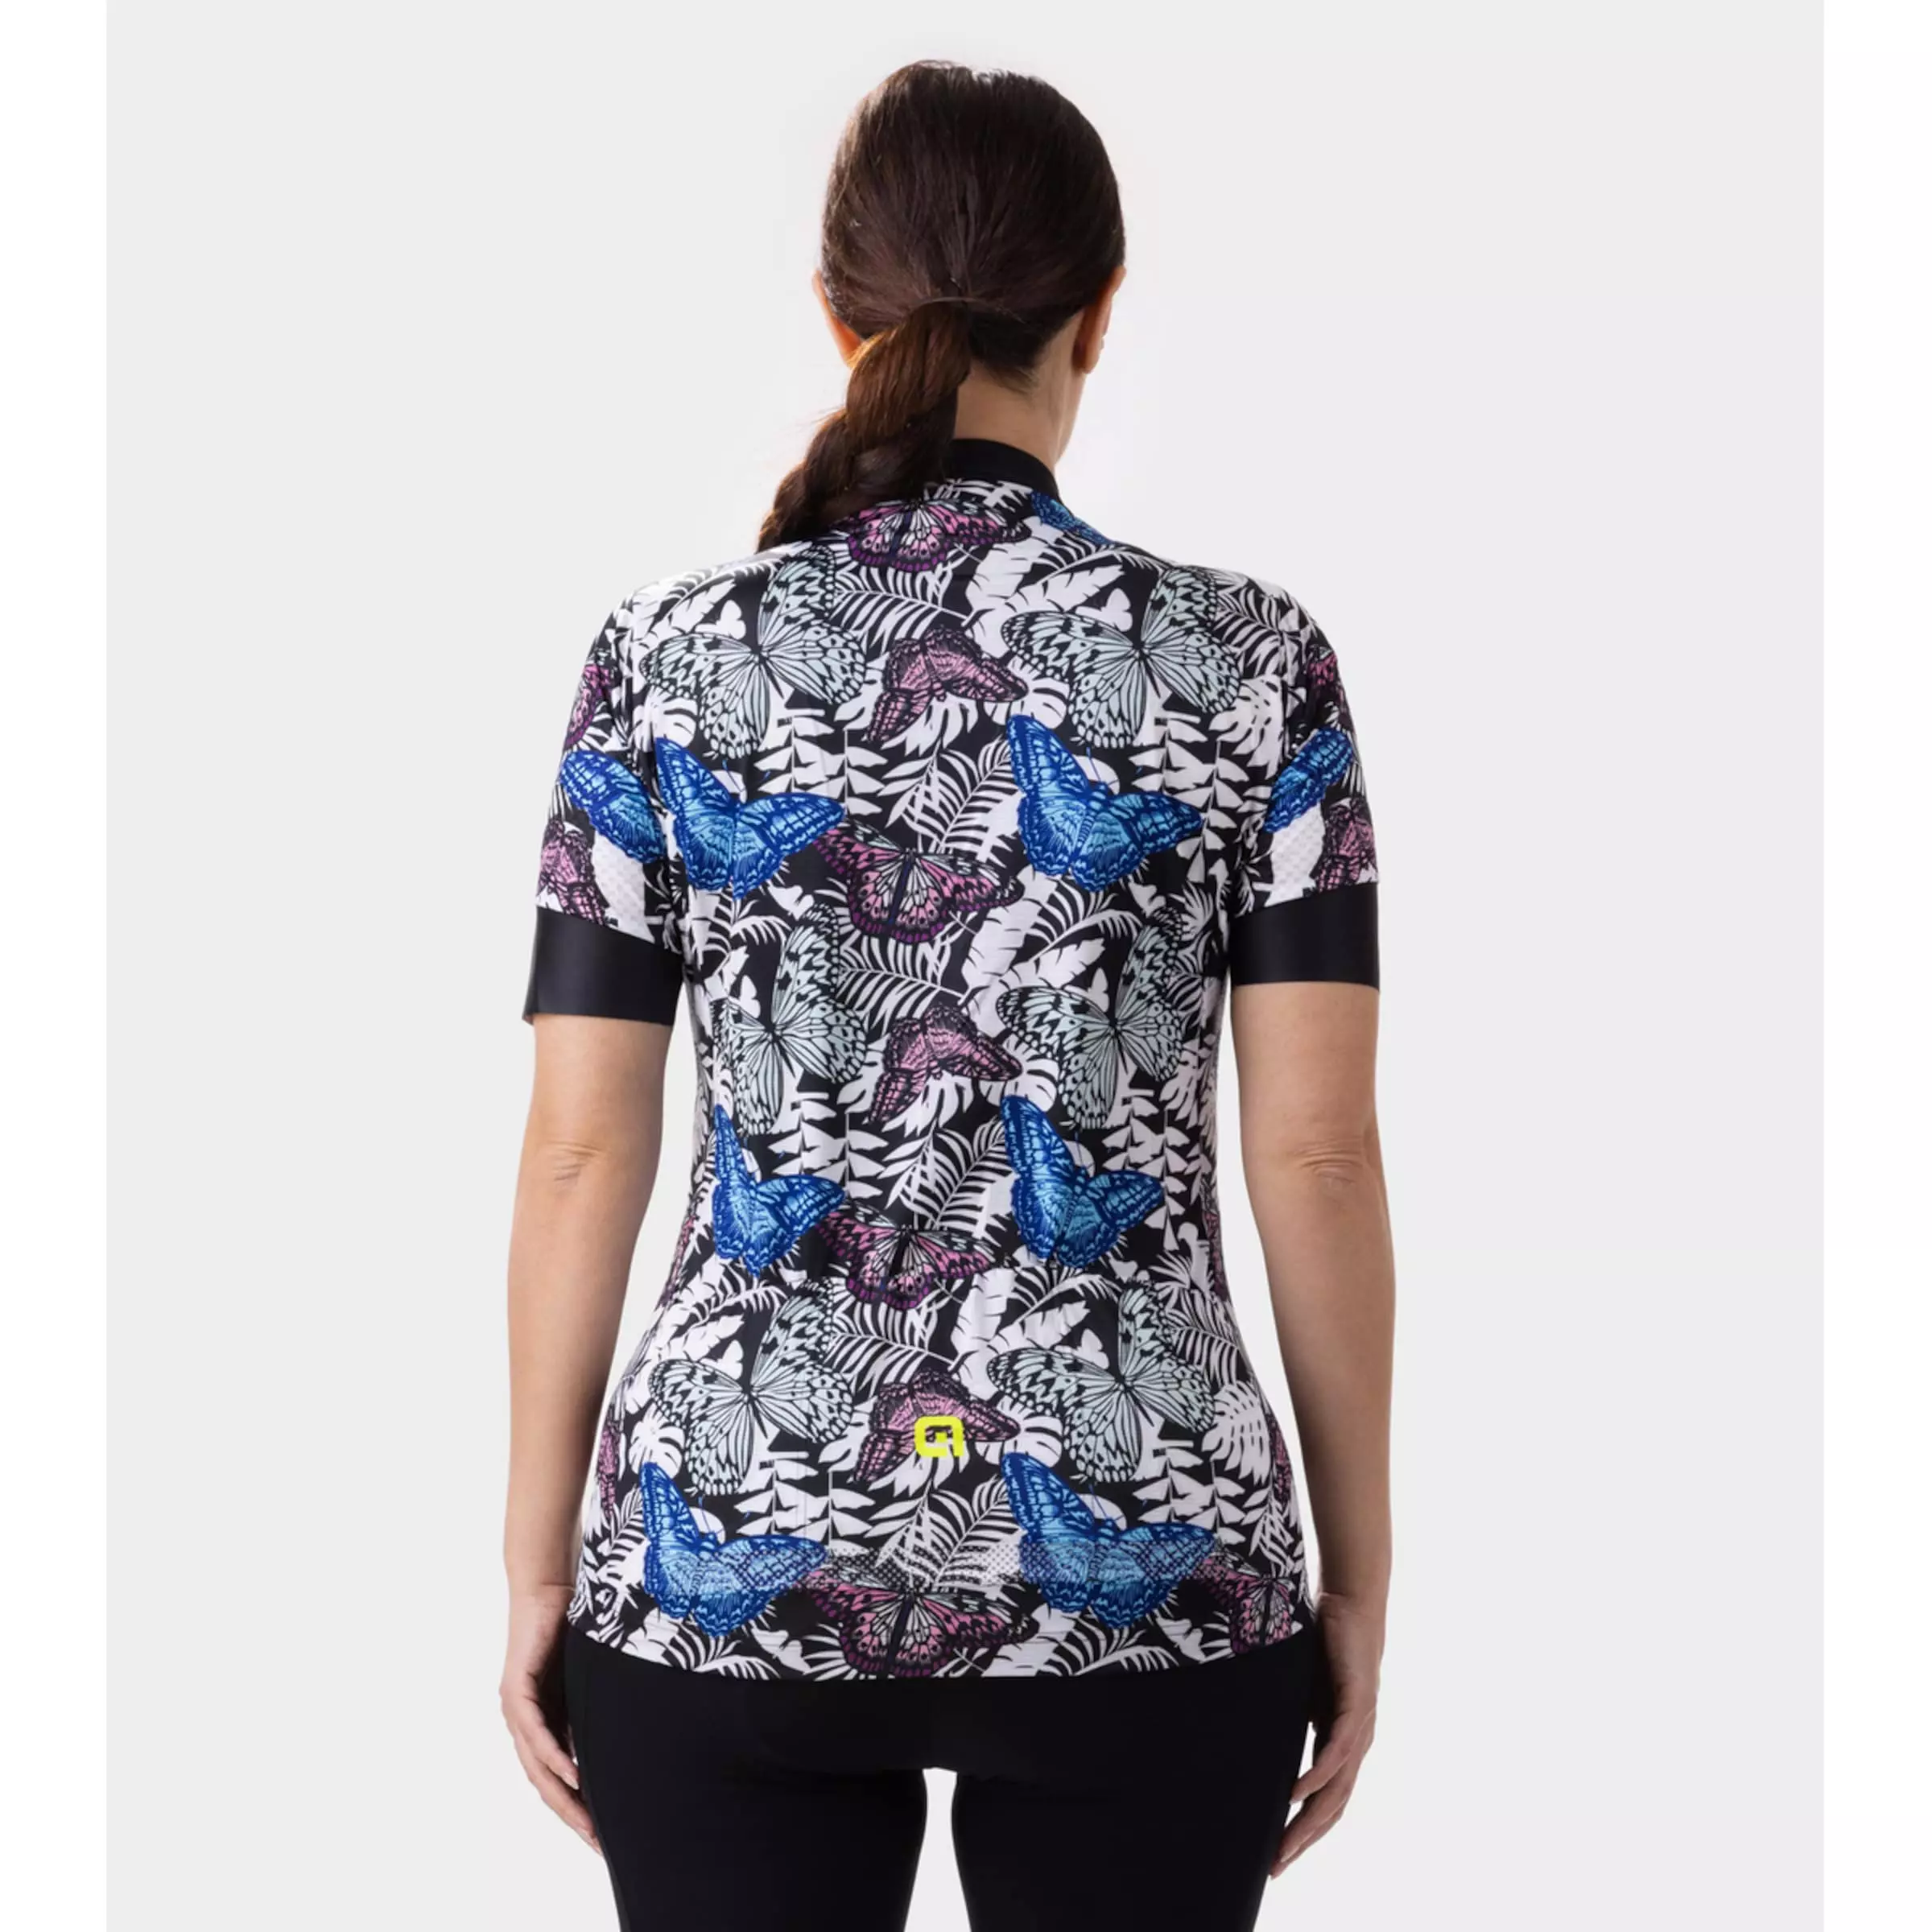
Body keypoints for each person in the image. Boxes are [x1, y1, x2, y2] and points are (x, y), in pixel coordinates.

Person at [502, 60, 1394, 1932]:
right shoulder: (1254, 664)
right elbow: (1314, 1157)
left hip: (730, 1533)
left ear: (839, 318)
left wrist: (534, 1567)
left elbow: (584, 1153)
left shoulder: (661, 665)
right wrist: (1357, 1576)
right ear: (1099, 314)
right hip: (1151, 1577)